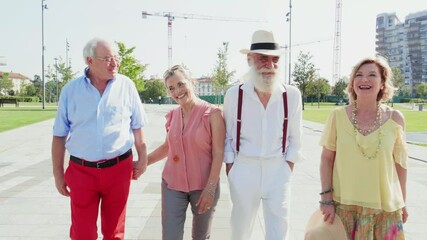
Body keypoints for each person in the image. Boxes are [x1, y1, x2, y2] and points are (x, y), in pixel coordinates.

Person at [51, 38, 148, 240]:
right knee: (82, 233)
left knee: (115, 233)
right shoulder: (70, 90)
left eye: (116, 57)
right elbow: (59, 135)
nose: (114, 63)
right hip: (81, 171)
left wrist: (143, 158)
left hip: (119, 169)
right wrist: (58, 174)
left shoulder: (127, 86)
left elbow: (137, 127)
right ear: (90, 61)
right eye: (107, 58)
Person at [223, 29, 303, 240]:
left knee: (279, 230)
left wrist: (287, 168)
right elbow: (228, 137)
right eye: (263, 59)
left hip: (278, 169)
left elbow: (296, 138)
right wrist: (232, 170)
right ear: (250, 60)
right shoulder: (234, 94)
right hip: (243, 169)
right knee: (240, 230)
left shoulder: (292, 95)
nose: (270, 65)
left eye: (275, 59)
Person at [319, 56, 408, 239]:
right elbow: (326, 159)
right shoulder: (336, 116)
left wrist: (403, 202)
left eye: (372, 75)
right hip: (344, 209)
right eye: (358, 75)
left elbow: (400, 165)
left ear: (382, 83)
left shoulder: (395, 119)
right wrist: (325, 198)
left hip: (385, 211)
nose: (364, 79)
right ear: (352, 83)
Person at [147, 65, 225, 240]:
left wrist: (210, 188)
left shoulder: (213, 114)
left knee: (200, 236)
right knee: (170, 236)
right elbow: (167, 147)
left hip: (204, 186)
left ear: (192, 82)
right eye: (171, 88)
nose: (177, 91)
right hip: (172, 185)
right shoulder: (172, 116)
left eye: (181, 84)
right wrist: (141, 163)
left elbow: (219, 153)